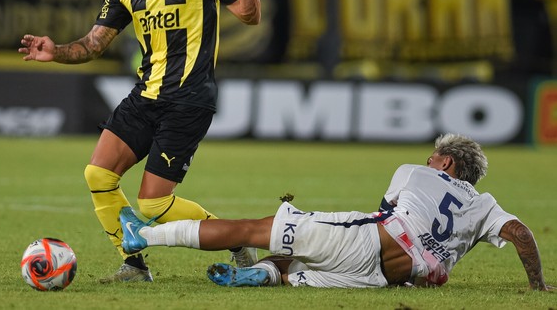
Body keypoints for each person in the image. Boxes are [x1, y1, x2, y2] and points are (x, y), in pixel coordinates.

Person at [18, 0, 262, 283]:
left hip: (188, 101)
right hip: (144, 96)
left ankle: (235, 240)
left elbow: (249, 15)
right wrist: (57, 51)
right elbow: (93, 45)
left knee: (153, 204)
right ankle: (133, 266)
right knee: (97, 175)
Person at [119, 134, 553, 291]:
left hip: (372, 239)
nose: (426, 163)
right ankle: (266, 275)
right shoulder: (484, 205)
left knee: (252, 229)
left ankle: (146, 238)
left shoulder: (412, 174)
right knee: (295, 270)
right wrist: (537, 285)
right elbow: (520, 234)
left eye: (432, 158)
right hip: (391, 278)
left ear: (446, 163)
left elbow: (378, 217)